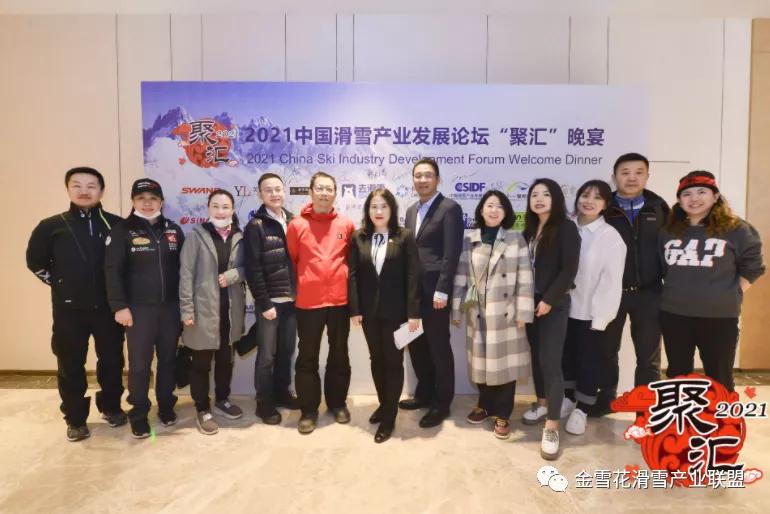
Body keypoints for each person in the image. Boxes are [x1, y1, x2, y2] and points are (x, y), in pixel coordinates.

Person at [26, 167, 126, 442]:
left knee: (112, 361)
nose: (84, 191)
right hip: (69, 312)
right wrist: (60, 285)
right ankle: (75, 418)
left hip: (108, 310)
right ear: (68, 189)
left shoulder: (117, 225)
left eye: (91, 186)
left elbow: (126, 266)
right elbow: (35, 262)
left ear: (101, 191)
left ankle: (111, 407)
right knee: (70, 364)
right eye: (77, 185)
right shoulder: (51, 226)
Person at [659, 171, 765, 392]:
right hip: (674, 314)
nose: (694, 198)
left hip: (719, 317)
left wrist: (732, 292)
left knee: (719, 377)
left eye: (701, 192)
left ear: (715, 196)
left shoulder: (736, 229)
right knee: (678, 374)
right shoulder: (668, 231)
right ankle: (683, 412)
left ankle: (722, 414)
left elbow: (754, 267)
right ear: (679, 200)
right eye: (687, 194)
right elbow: (663, 266)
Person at [105, 178, 185, 439]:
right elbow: (112, 271)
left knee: (168, 361)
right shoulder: (121, 230)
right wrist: (119, 306)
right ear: (133, 201)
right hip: (138, 311)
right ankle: (139, 414)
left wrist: (185, 306)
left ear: (161, 201)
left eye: (153, 198)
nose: (147, 203)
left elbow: (184, 271)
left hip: (170, 308)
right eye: (141, 198)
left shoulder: (173, 230)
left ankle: (166, 405)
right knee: (140, 365)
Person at [451, 190, 534, 440]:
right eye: (489, 205)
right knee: (480, 363)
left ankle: (503, 414)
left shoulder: (515, 239)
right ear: (481, 210)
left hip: (505, 313)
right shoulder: (470, 239)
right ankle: (485, 405)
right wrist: (456, 309)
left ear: (506, 212)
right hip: (477, 312)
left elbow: (525, 278)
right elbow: (461, 275)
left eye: (499, 206)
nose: (494, 210)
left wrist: (523, 312)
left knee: (505, 366)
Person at [596, 153, 670, 416]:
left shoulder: (659, 208)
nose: (632, 178)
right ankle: (605, 400)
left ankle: (646, 410)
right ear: (614, 176)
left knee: (648, 357)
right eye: (625, 172)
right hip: (611, 293)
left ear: (647, 176)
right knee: (606, 351)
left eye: (639, 172)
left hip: (650, 292)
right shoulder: (603, 208)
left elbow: (670, 248)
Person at [348, 188, 420, 443]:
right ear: (367, 210)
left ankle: (389, 417)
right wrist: (355, 309)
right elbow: (353, 275)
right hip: (369, 313)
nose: (378, 211)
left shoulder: (404, 236)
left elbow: (413, 276)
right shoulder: (359, 237)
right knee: (376, 360)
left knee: (393, 362)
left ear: (392, 209)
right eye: (374, 206)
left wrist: (413, 313)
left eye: (384, 206)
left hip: (397, 314)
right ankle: (384, 404)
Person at [286, 171, 355, 434]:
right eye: (320, 188)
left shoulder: (346, 225)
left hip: (339, 301)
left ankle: (337, 403)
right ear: (310, 192)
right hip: (308, 303)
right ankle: (308, 410)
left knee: (339, 355)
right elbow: (293, 260)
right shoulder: (296, 226)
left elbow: (351, 261)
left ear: (335, 194)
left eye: (329, 189)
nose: (325, 193)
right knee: (307, 357)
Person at [400, 157, 464, 428]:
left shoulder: (450, 208)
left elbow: (451, 253)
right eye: (418, 175)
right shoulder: (411, 210)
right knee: (416, 345)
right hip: (412, 292)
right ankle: (424, 394)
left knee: (438, 347)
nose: (422, 180)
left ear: (437, 179)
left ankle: (442, 402)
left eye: (428, 175)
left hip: (436, 292)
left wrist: (443, 290)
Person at [521, 178, 580, 460]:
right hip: (530, 304)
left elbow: (569, 269)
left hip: (553, 304)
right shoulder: (529, 230)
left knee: (551, 362)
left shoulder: (566, 228)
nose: (539, 199)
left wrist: (548, 300)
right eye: (535, 194)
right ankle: (543, 404)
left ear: (556, 198)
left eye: (546, 194)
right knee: (536, 357)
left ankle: (552, 426)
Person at [561, 180, 626, 436]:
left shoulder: (610, 237)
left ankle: (583, 409)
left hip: (589, 312)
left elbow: (611, 282)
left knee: (588, 362)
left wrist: (601, 318)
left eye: (597, 198)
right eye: (585, 195)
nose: (589, 201)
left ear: (605, 205)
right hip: (561, 310)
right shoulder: (566, 227)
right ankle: (568, 398)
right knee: (566, 358)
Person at [179, 189, 246, 435]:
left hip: (230, 312)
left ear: (232, 210)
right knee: (201, 364)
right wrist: (187, 310)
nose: (220, 211)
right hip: (203, 312)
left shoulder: (240, 236)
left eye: (225, 206)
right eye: (215, 206)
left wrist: (233, 275)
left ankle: (222, 400)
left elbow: (248, 268)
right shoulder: (196, 236)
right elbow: (185, 275)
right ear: (208, 209)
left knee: (226, 361)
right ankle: (202, 408)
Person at [244, 173, 299, 425]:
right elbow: (253, 269)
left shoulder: (294, 221)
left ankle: (282, 393)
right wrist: (264, 303)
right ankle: (264, 403)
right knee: (267, 355)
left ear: (284, 192)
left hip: (292, 301)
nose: (274, 194)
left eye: (278, 189)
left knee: (286, 351)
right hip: (270, 303)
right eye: (268, 190)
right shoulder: (255, 226)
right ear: (260, 194)